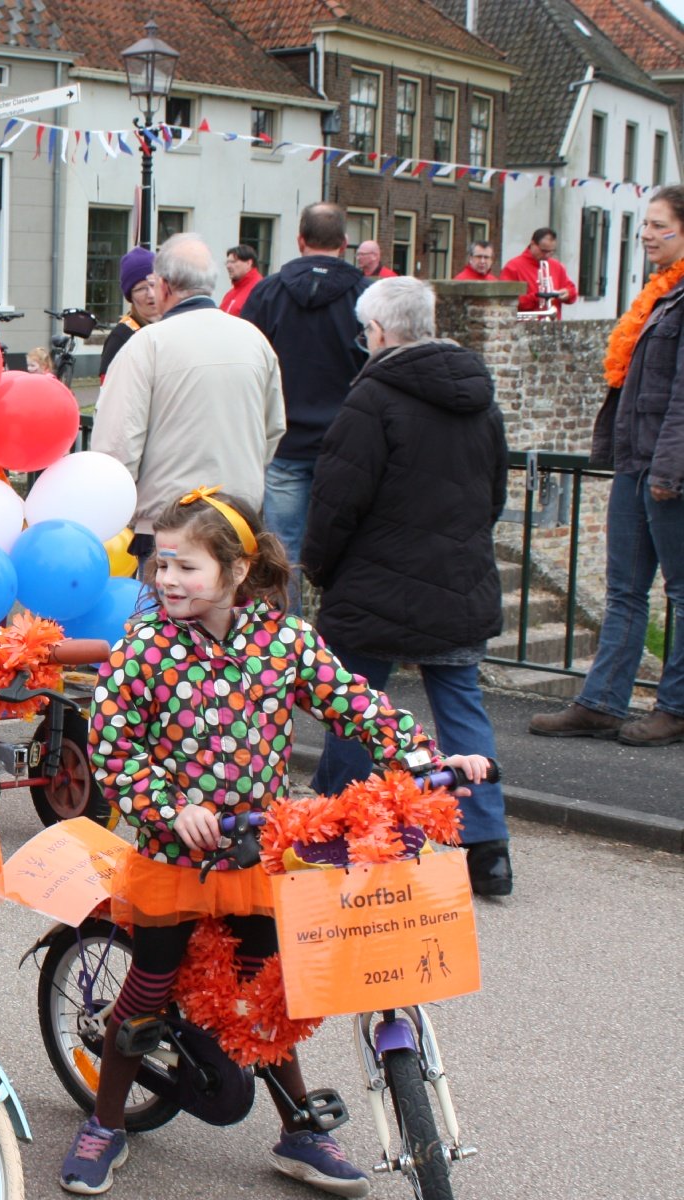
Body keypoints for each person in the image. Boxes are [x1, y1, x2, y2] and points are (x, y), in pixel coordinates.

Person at [59, 487, 492, 1196]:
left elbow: (356, 704)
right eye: (161, 564)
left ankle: (299, 1131)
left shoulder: (285, 641)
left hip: (256, 851)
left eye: (187, 566)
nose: (167, 579)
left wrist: (426, 758)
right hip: (174, 856)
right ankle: (105, 1124)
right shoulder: (142, 648)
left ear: (236, 570)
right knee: (149, 987)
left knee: (264, 992)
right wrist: (171, 808)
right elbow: (114, 749)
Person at [300, 277, 513, 896]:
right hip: (457, 580)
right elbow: (494, 495)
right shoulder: (480, 399)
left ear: (379, 332)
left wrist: (321, 567)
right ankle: (487, 848)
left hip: (375, 583)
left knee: (356, 706)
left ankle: (338, 822)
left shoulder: (372, 398)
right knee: (461, 707)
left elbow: (338, 500)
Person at [530, 188, 684, 746]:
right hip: (635, 462)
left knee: (680, 593)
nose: (646, 234)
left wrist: (668, 471)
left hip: (665, 470)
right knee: (624, 590)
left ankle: (676, 707)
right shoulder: (660, 295)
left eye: (658, 225)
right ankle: (601, 704)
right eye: (646, 224)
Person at [91, 234, 286, 560]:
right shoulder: (255, 341)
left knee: (167, 594)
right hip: (237, 518)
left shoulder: (146, 345)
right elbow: (273, 428)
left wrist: (116, 511)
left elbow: (117, 445)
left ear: (163, 286)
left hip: (168, 524)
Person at [240, 203, 371, 579]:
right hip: (348, 445)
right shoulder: (366, 296)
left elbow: (247, 362)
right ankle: (336, 617)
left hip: (286, 443)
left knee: (282, 551)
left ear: (300, 241)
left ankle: (282, 620)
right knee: (350, 548)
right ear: (344, 243)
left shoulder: (267, 293)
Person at [96, 247, 161, 381]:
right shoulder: (121, 337)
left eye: (153, 285)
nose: (151, 294)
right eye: (141, 288)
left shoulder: (171, 325)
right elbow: (109, 385)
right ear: (130, 296)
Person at [500, 227, 579, 317]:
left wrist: (568, 294)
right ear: (532, 244)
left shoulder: (557, 266)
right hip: (526, 322)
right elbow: (506, 302)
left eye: (551, 251)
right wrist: (537, 297)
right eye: (544, 251)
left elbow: (572, 291)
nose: (547, 255)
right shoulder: (513, 267)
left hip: (552, 322)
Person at [220, 244, 263, 317]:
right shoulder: (231, 293)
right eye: (227, 262)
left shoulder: (260, 289)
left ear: (248, 263)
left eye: (233, 262)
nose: (228, 266)